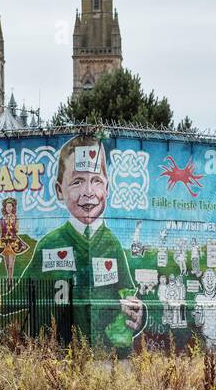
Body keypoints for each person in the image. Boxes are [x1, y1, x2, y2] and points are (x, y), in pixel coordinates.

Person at [24, 135, 143, 348]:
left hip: (107, 352)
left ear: (107, 187)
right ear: (60, 190)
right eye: (77, 182)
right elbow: (18, 297)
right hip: (59, 349)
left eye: (96, 180)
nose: (88, 192)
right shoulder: (49, 244)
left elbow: (129, 294)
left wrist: (137, 313)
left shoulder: (111, 243)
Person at [0, 197, 29, 284]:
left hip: (13, 242)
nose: (9, 208)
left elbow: (16, 230)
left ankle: (10, 280)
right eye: (7, 207)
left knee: (11, 265)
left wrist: (12, 221)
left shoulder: (15, 218)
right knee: (7, 264)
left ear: (13, 208)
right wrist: (0, 242)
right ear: (5, 208)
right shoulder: (1, 219)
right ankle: (8, 277)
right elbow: (1, 232)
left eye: (10, 206)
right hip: (4, 243)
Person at [193, 267, 216, 350]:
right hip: (208, 336)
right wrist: (198, 313)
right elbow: (198, 323)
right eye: (207, 279)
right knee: (208, 356)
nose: (209, 282)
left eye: (212, 279)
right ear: (203, 281)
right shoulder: (199, 298)